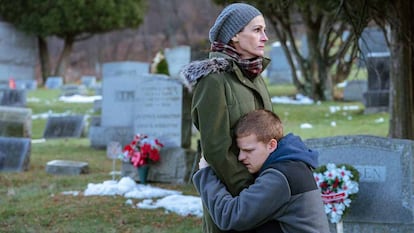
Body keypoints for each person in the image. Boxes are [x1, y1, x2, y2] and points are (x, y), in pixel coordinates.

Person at [180, 3, 273, 233]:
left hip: (261, 193)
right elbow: (215, 148)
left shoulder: (255, 76)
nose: (265, 37)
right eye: (257, 30)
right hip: (231, 198)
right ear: (234, 36)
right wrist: (249, 191)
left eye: (264, 30)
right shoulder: (214, 80)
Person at [193, 109, 331, 233]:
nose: (241, 157)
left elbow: (230, 216)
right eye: (240, 150)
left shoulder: (280, 177)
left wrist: (205, 174)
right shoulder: (292, 165)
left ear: (271, 145)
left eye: (248, 150)